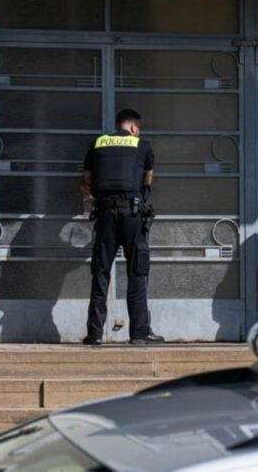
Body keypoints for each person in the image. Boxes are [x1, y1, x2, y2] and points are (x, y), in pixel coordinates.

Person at [79, 109, 164, 345]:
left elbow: (85, 181)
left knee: (101, 272)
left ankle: (94, 334)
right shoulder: (143, 146)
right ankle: (139, 333)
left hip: (105, 212)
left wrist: (95, 202)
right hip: (132, 213)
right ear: (134, 128)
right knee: (137, 272)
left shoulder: (97, 143)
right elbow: (148, 181)